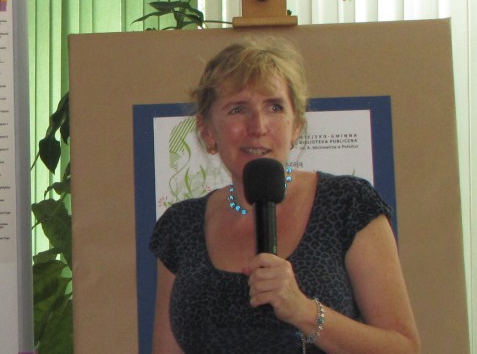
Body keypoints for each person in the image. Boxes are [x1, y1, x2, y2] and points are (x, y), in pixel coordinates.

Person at [149, 36, 420, 353]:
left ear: (296, 127)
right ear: (208, 131)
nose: (258, 126)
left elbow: (404, 347)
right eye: (238, 109)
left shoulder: (348, 204)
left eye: (275, 107)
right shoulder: (181, 225)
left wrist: (303, 311)